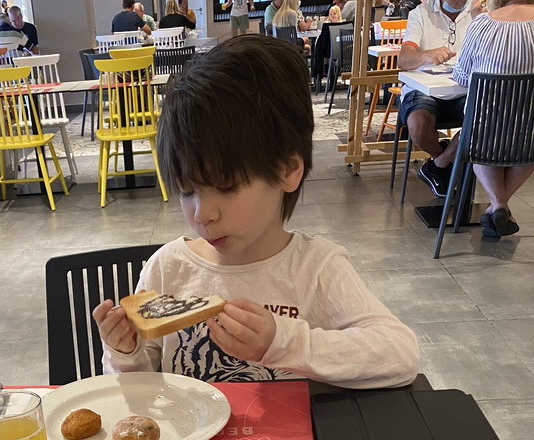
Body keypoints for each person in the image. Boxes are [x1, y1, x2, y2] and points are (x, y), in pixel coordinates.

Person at [93, 36, 419, 388]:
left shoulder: (316, 269)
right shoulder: (167, 268)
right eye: (188, 191)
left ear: (287, 170)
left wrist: (284, 341)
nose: (203, 214)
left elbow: (400, 355)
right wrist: (125, 356)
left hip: (288, 439)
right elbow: (141, 394)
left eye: (227, 186)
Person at [451, 0, 534, 237]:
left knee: (484, 129)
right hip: (529, 134)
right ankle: (499, 207)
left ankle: (498, 204)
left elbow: (462, 77)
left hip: (483, 134)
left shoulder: (481, 24)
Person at [397, 0, 474, 198]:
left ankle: (438, 165)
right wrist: (425, 55)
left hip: (464, 89)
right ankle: (445, 158)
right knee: (418, 124)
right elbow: (403, 60)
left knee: (484, 118)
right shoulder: (420, 14)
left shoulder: (479, 14)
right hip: (423, 88)